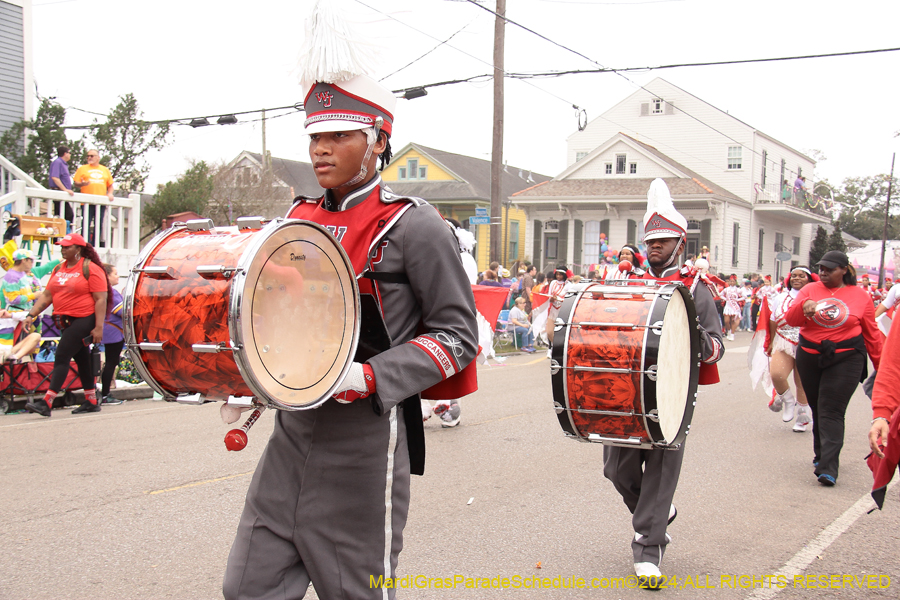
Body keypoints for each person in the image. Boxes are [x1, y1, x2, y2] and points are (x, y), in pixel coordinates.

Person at [221, 27, 478, 600]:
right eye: (315, 136)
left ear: (378, 140)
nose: (320, 149)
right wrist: (250, 383)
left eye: (338, 135)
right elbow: (278, 318)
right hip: (292, 434)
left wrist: (369, 375)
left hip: (366, 441)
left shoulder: (416, 226)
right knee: (246, 588)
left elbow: (459, 336)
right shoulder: (297, 218)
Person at [603, 179, 724, 587]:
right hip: (625, 391)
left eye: (663, 241)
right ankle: (657, 513)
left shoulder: (695, 288)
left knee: (660, 466)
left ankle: (648, 549)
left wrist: (693, 335)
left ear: (680, 244)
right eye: (650, 241)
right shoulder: (625, 281)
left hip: (672, 392)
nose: (654, 247)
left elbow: (717, 345)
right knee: (616, 469)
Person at [784, 251, 882, 486]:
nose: (823, 272)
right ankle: (821, 455)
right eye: (821, 268)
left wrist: (882, 369)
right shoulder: (809, 291)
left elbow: (872, 334)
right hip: (810, 356)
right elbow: (792, 320)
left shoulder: (860, 296)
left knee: (831, 409)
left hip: (846, 358)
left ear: (844, 270)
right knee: (818, 407)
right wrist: (803, 305)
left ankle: (829, 467)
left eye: (829, 269)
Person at [22, 233, 111, 417]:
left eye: (67, 247)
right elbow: (47, 296)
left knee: (61, 355)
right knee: (82, 360)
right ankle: (91, 400)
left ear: (78, 249)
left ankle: (47, 402)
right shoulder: (58, 269)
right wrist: (31, 314)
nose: (63, 249)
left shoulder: (91, 269)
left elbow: (101, 299)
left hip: (85, 319)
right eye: (61, 246)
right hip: (65, 320)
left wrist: (98, 327)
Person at [766, 267, 816, 432]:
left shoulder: (815, 297)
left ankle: (802, 416)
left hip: (807, 341)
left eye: (802, 276)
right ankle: (787, 400)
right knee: (777, 374)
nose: (797, 278)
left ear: (809, 279)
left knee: (802, 381)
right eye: (794, 276)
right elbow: (773, 319)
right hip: (783, 340)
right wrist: (772, 340)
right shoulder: (780, 297)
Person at [72, 149, 114, 246]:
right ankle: (85, 243)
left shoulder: (105, 169)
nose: (89, 158)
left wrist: (110, 193)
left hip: (100, 202)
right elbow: (76, 183)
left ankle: (95, 244)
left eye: (92, 156)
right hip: (87, 202)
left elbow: (110, 185)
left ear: (98, 157)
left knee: (98, 224)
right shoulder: (82, 168)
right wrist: (83, 183)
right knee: (86, 223)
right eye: (88, 156)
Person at [100, 264, 125, 405]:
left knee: (110, 362)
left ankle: (103, 393)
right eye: (115, 273)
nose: (118, 276)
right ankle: (105, 394)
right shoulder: (111, 292)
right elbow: (121, 311)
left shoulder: (102, 291)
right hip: (113, 332)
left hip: (107, 330)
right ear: (107, 276)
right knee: (111, 362)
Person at [48, 145, 75, 226]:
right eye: (69, 153)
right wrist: (65, 189)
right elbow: (55, 177)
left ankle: (61, 235)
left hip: (62, 193)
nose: (70, 155)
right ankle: (61, 236)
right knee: (67, 215)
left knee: (63, 216)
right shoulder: (58, 162)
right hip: (58, 191)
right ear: (65, 153)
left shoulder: (64, 164)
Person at [722, 275, 743, 340]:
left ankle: (732, 333)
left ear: (735, 282)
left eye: (733, 281)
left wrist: (738, 300)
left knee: (733, 321)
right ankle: (728, 331)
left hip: (734, 306)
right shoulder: (726, 289)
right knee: (726, 321)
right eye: (731, 281)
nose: (732, 282)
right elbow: (720, 294)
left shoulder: (738, 290)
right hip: (728, 306)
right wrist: (725, 299)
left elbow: (745, 296)